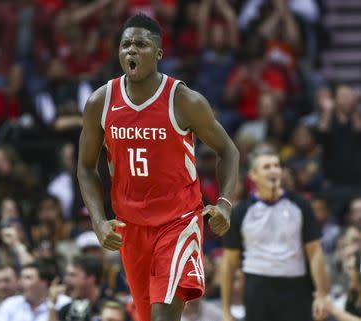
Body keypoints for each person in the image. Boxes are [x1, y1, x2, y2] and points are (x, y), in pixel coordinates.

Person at [77, 13, 239, 321]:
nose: (131, 51)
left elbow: (228, 151)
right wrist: (98, 221)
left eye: (140, 44)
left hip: (178, 222)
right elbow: (86, 168)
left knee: (164, 315)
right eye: (125, 45)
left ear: (159, 53)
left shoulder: (184, 100)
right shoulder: (101, 101)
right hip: (131, 226)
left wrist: (225, 204)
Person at [221, 147, 330, 321]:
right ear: (253, 175)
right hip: (257, 287)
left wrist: (321, 295)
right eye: (266, 167)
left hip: (296, 287)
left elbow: (315, 252)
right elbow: (229, 262)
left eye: (276, 165)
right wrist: (226, 310)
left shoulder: (301, 205)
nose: (273, 170)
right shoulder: (240, 212)